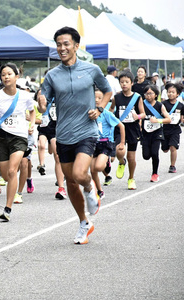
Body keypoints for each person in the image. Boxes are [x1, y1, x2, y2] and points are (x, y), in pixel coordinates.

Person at [39, 27, 112, 244]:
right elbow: (44, 104)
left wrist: (99, 109)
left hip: (86, 131)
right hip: (63, 134)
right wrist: (42, 103)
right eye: (58, 44)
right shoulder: (52, 75)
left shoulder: (91, 70)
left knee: (80, 175)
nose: (62, 48)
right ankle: (84, 222)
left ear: (76, 46)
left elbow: (107, 91)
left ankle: (91, 189)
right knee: (70, 182)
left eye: (66, 44)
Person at [0, 63, 35, 221]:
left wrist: (31, 124)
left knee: (12, 171)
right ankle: (12, 181)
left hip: (19, 136)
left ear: (16, 76)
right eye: (3, 74)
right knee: (5, 174)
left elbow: (32, 111)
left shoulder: (25, 95)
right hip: (0, 137)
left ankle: (8, 208)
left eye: (9, 74)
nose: (6, 77)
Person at [110, 70, 145, 190]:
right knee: (119, 151)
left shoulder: (137, 97)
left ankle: (131, 178)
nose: (124, 84)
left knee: (132, 157)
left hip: (132, 129)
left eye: (126, 82)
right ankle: (121, 162)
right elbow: (111, 109)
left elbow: (143, 113)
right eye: (122, 82)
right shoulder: (116, 97)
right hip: (120, 128)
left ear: (131, 83)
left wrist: (138, 117)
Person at [91, 89, 125, 199]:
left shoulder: (106, 114)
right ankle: (99, 191)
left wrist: (122, 143)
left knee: (99, 167)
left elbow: (121, 126)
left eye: (100, 98)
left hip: (105, 143)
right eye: (94, 97)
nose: (96, 100)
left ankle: (107, 162)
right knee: (92, 170)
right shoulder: (89, 113)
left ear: (104, 100)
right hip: (92, 144)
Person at [35, 87, 67, 200]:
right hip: (48, 129)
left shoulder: (63, 94)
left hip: (62, 128)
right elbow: (41, 110)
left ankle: (65, 179)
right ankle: (61, 188)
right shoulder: (46, 97)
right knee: (56, 156)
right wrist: (41, 103)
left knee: (59, 157)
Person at [141, 85, 171, 182]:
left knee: (155, 153)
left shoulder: (160, 105)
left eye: (150, 93)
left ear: (156, 95)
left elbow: (168, 119)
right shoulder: (142, 104)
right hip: (145, 133)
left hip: (157, 132)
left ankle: (154, 174)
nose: (148, 96)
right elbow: (139, 115)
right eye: (146, 94)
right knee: (146, 156)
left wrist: (157, 120)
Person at [161, 82, 184, 173]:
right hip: (164, 129)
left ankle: (172, 166)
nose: (170, 94)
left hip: (175, 130)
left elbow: (183, 118)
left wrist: (183, 120)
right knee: (165, 149)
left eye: (173, 92)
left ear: (177, 94)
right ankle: (165, 146)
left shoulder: (181, 106)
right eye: (169, 92)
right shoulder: (163, 104)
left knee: (173, 147)